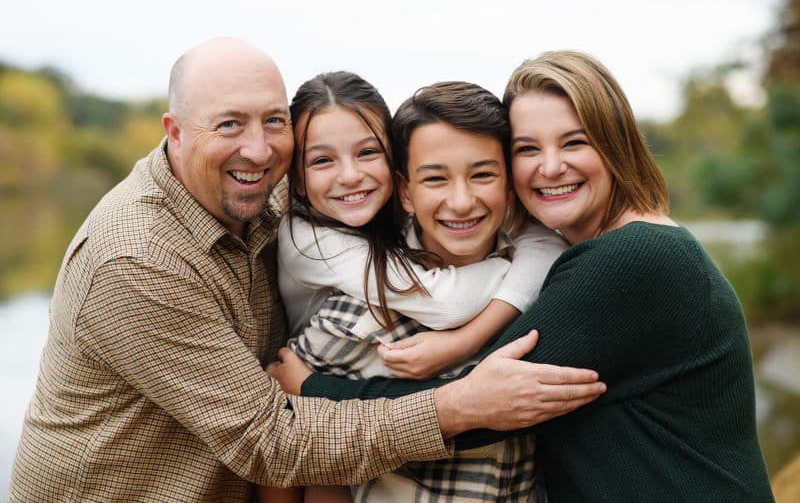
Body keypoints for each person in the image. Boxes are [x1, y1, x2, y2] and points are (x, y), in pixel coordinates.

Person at [7, 39, 607, 502]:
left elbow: (533, 235)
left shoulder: (275, 198)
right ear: (175, 132)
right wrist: (461, 406)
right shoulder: (136, 262)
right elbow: (271, 442)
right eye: (228, 124)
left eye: (273, 121)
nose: (259, 148)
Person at [274, 50, 775, 502]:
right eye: (529, 149)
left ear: (615, 143)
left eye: (573, 142)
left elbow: (481, 407)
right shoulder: (594, 250)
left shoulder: (634, 257)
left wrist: (315, 390)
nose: (550, 167)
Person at [268, 75, 568, 502]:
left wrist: (462, 341)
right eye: (321, 161)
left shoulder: (397, 235)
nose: (350, 176)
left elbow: (547, 243)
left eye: (367, 152)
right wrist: (505, 273)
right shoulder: (318, 254)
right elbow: (292, 431)